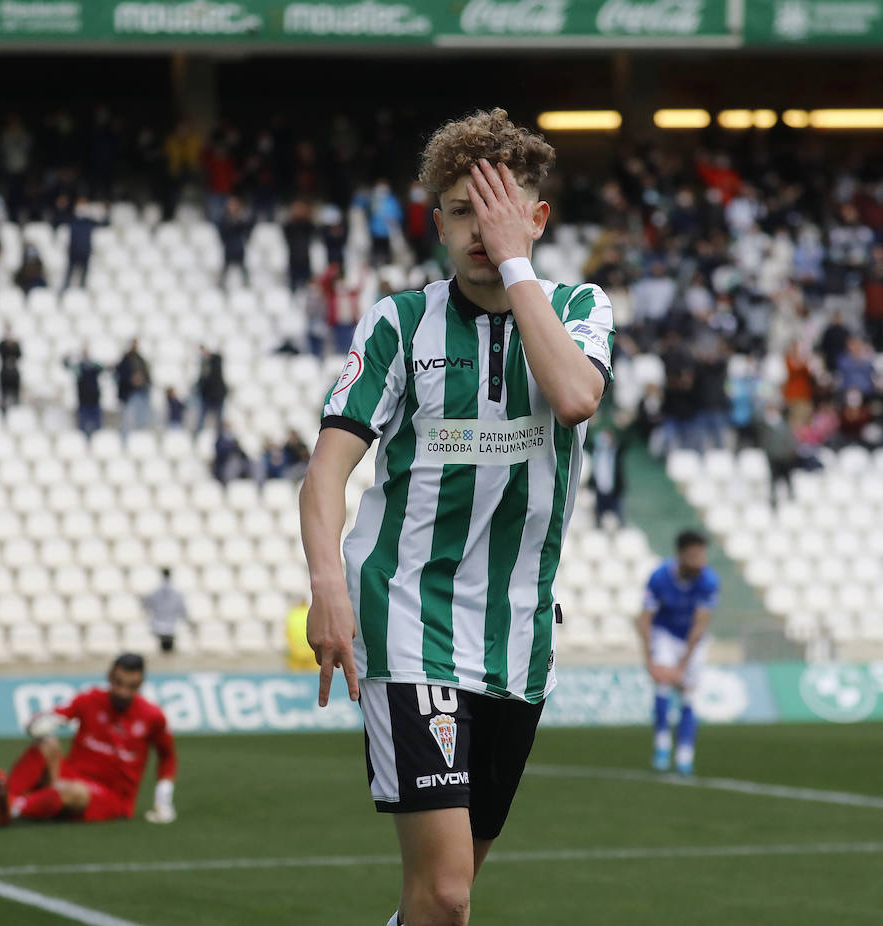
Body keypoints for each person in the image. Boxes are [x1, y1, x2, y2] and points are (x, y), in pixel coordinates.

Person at [300, 108, 611, 926]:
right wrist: (327, 583)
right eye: (462, 210)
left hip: (517, 639)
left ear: (537, 218)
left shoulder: (581, 307)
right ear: (437, 221)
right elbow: (327, 471)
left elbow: (577, 398)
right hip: (409, 619)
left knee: (439, 903)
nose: (481, 229)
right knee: (447, 895)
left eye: (500, 208)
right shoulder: (401, 324)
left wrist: (518, 268)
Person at [0, 653, 178, 827]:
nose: (123, 692)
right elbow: (52, 716)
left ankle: (12, 808)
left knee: (75, 791)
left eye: (131, 687)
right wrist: (39, 723)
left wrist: (163, 798)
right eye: (118, 683)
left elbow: (167, 756)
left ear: (141, 683)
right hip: (71, 777)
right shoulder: (90, 699)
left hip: (112, 798)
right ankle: (8, 799)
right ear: (110, 677)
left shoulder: (153, 716)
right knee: (48, 743)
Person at [636, 531, 719, 776]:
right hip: (664, 635)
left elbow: (699, 626)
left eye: (702, 555)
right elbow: (645, 620)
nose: (699, 562)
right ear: (681, 555)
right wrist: (650, 660)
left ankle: (685, 756)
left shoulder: (709, 581)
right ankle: (662, 746)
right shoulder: (659, 577)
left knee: (688, 694)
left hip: (692, 641)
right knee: (662, 684)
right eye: (694, 556)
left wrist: (682, 666)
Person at [142, 569, 189, 654]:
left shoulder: (154, 591)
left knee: (165, 644)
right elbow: (182, 609)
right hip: (171, 623)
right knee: (168, 645)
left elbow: (147, 606)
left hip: (159, 622)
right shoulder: (177, 592)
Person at [116, 339, 153, 437]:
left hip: (141, 392)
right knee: (128, 420)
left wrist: (142, 380)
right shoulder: (125, 359)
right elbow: (120, 374)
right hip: (128, 394)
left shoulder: (141, 359)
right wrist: (131, 379)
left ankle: (140, 439)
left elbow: (147, 375)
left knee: (141, 419)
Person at [62, 197, 100, 293]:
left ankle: (83, 294)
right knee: (68, 277)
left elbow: (103, 223)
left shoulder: (89, 221)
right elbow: (59, 220)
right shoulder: (72, 220)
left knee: (84, 278)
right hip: (73, 253)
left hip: (85, 252)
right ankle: (64, 293)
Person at [64, 347, 104, 437]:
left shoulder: (94, 366)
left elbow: (102, 367)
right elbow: (66, 365)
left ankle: (96, 440)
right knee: (82, 427)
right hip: (83, 400)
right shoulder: (78, 367)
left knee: (98, 427)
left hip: (94, 399)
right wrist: (68, 356)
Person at [589, 428, 624, 527]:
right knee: (598, 521)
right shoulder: (596, 452)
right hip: (599, 491)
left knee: (619, 521)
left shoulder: (616, 452)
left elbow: (625, 441)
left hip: (614, 491)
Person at [194, 348, 227, 436]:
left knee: (218, 417)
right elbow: (201, 380)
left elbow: (218, 357)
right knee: (202, 416)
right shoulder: (204, 364)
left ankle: (220, 436)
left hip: (217, 395)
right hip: (207, 395)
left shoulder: (215, 362)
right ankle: (198, 435)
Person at [0, 327, 22, 416]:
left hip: (14, 373)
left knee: (15, 393)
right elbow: (0, 354)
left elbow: (19, 355)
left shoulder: (16, 344)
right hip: (4, 373)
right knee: (4, 394)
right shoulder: (2, 344)